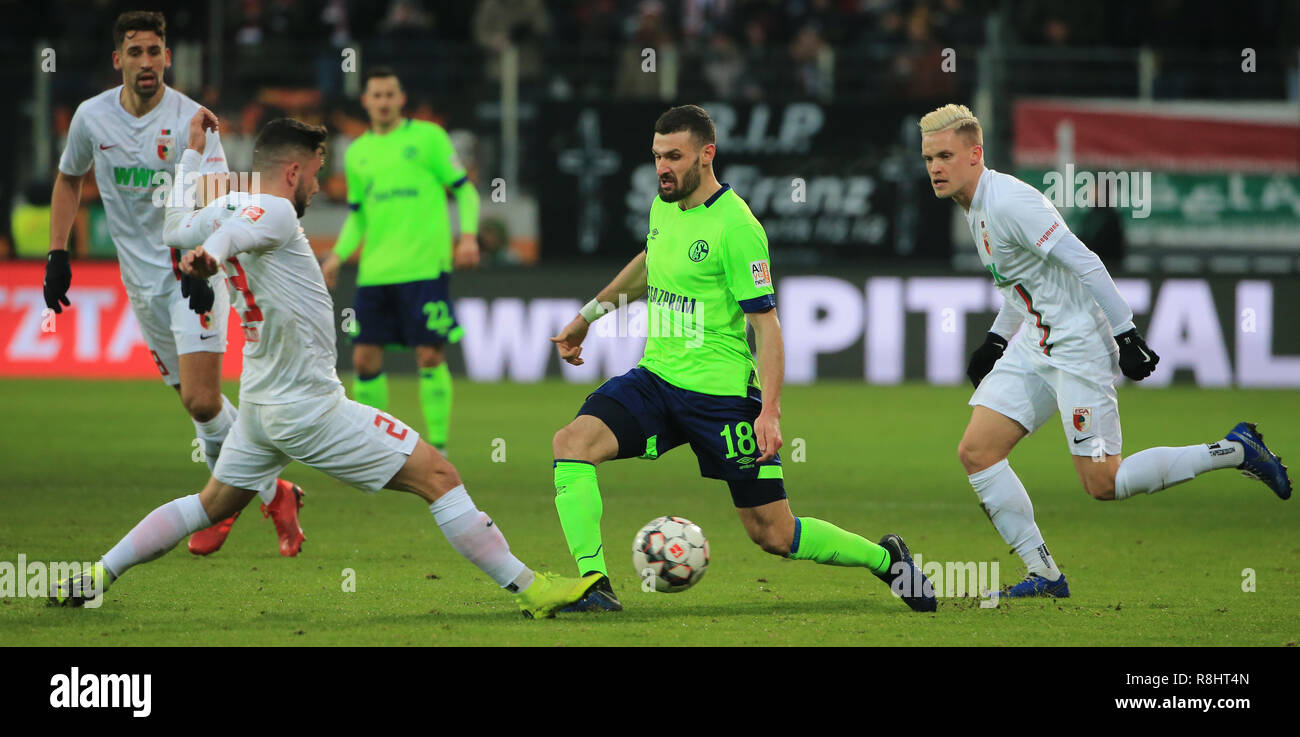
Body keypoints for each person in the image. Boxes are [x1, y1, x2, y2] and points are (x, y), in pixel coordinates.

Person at [51, 114, 602, 619]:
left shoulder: (225, 205)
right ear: (293, 170)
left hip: (261, 405)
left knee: (208, 504)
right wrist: (211, 256)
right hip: (309, 407)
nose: (319, 184)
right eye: (316, 173)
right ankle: (534, 590)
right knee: (440, 476)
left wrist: (193, 160)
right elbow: (230, 237)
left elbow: (175, 228)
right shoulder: (276, 208)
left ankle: (99, 573)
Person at [547, 105, 936, 613]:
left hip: (722, 397)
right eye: (657, 156)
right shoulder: (663, 204)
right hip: (657, 381)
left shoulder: (737, 226)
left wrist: (768, 411)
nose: (662, 167)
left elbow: (766, 325)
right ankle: (593, 584)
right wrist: (589, 315)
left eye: (674, 156)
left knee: (774, 534)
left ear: (706, 155)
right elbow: (650, 263)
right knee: (571, 443)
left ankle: (886, 560)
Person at [919, 104, 1292, 599]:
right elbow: (1024, 284)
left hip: (1077, 345)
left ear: (975, 154)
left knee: (1103, 481)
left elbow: (1085, 261)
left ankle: (1235, 449)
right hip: (1037, 339)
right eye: (928, 158)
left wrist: (1125, 334)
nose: (935, 168)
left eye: (945, 155)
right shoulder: (975, 207)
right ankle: (1046, 575)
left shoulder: (1009, 202)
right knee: (977, 452)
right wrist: (995, 338)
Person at [44, 11, 305, 557]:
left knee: (203, 398)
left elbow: (214, 200)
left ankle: (223, 505)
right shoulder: (92, 119)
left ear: (168, 56)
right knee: (197, 408)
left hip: (191, 276)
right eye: (135, 52)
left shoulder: (194, 119)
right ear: (118, 59)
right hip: (141, 286)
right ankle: (274, 491)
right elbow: (69, 178)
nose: (147, 62)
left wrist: (208, 267)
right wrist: (57, 252)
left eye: (155, 51)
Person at [320, 67, 480, 454]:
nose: (384, 102)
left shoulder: (428, 138)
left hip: (424, 267)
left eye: (390, 95)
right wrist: (336, 257)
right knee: (364, 358)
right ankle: (377, 447)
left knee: (429, 353)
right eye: (377, 96)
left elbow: (466, 192)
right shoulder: (358, 153)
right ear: (366, 101)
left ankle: (438, 445)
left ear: (401, 98)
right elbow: (358, 216)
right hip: (376, 272)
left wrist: (469, 236)